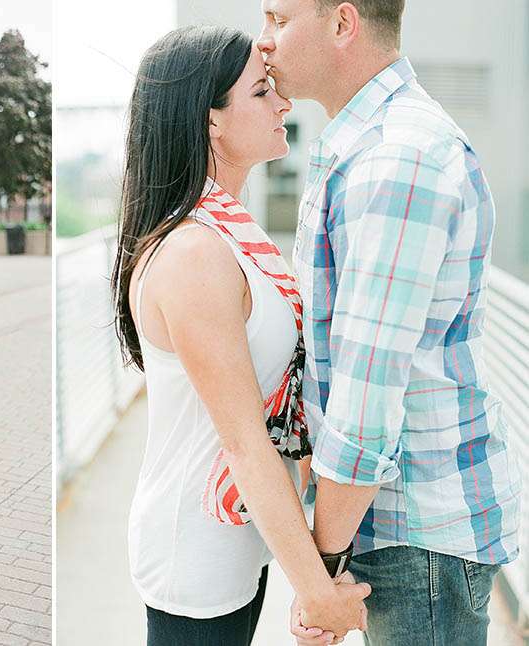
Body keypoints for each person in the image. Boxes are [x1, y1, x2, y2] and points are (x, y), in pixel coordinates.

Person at [256, 1, 521, 643]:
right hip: (399, 526)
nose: (263, 42)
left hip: (416, 534)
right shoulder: (364, 142)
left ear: (343, 24)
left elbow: (366, 391)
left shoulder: (397, 156)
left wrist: (320, 569)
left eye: (279, 20)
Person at [111, 25, 369, 646]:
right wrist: (317, 593)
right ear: (211, 122)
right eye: (261, 92)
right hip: (196, 547)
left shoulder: (231, 236)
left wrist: (311, 577)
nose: (283, 104)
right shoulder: (194, 253)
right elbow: (244, 442)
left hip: (235, 535)